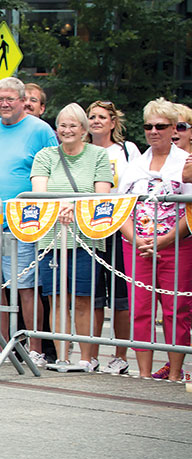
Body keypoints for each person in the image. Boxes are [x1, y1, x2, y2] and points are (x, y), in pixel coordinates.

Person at [0, 77, 58, 367]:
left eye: (10, 99)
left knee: (26, 286)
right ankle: (1, 344)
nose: (4, 104)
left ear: (23, 101)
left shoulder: (40, 130)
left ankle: (35, 348)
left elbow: (55, 171)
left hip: (25, 223)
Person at [30, 103, 113, 371]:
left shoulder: (99, 156)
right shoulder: (45, 156)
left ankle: (87, 358)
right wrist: (61, 207)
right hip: (51, 238)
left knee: (83, 299)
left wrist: (71, 207)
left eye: (73, 125)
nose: (66, 130)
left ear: (84, 130)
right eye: (62, 125)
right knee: (56, 299)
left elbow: (101, 197)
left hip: (85, 239)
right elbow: (38, 194)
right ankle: (63, 357)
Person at [118, 98, 192, 381]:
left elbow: (191, 210)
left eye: (160, 126)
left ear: (173, 128)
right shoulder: (135, 165)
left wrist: (165, 240)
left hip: (177, 245)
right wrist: (136, 239)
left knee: (177, 309)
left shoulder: (184, 164)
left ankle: (174, 373)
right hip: (137, 246)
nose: (153, 131)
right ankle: (145, 373)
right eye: (148, 126)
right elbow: (119, 209)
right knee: (140, 308)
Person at [86, 99, 141, 374]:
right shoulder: (82, 150)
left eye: (102, 117)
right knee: (93, 296)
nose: (96, 121)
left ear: (112, 122)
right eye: (92, 116)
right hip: (91, 228)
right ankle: (91, 354)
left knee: (121, 296)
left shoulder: (127, 151)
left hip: (121, 226)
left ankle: (120, 354)